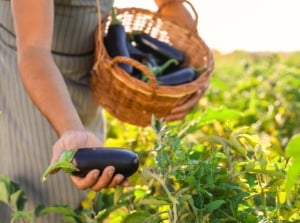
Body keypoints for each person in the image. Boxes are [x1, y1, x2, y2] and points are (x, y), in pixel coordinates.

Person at [0, 0, 202, 221]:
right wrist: (71, 129)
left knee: (80, 198)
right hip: (34, 80)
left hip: (88, 79)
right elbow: (33, 52)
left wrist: (193, 71)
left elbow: (170, 4)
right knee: (37, 202)